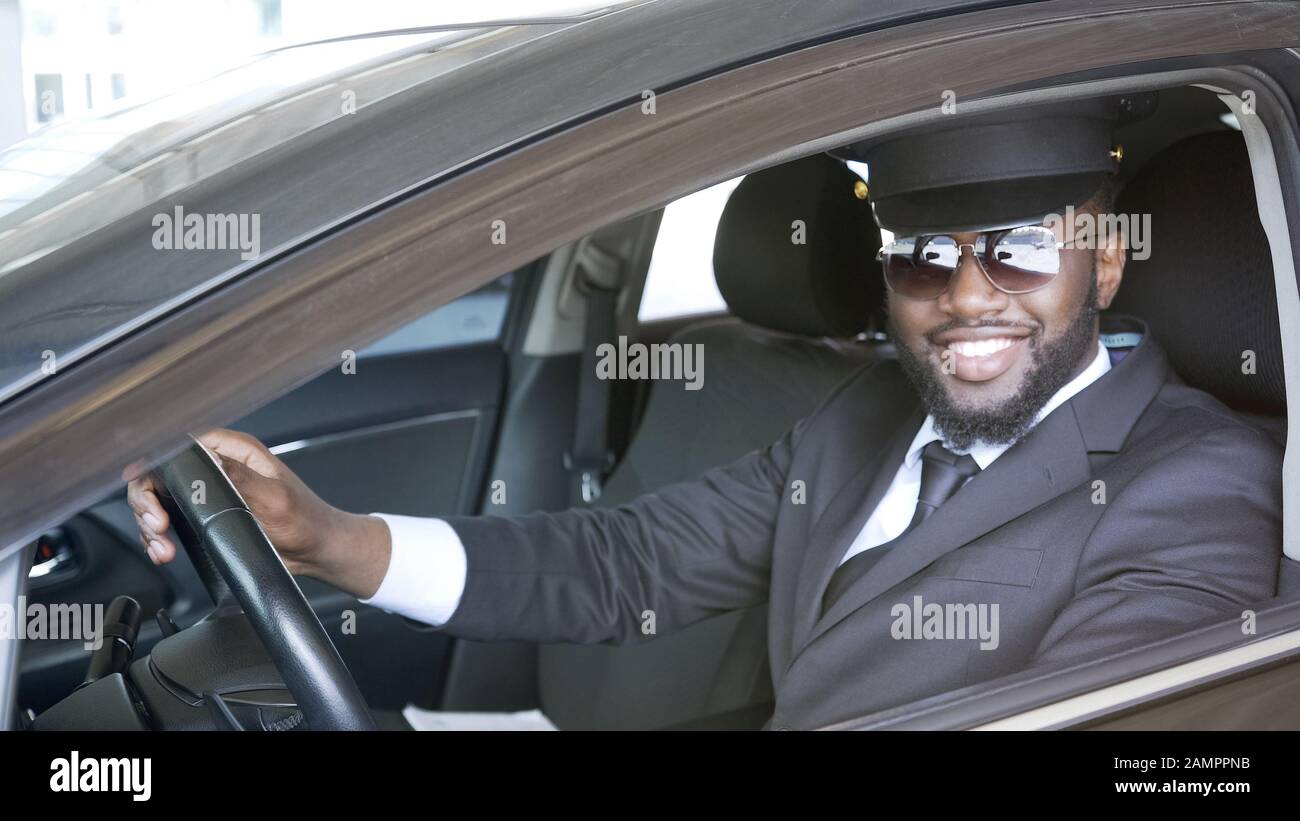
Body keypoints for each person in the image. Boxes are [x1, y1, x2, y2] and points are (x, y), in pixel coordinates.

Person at [126, 97, 1283, 729]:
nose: (967, 295)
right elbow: (628, 560)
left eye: (1021, 248)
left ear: (1105, 264)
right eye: (922, 253)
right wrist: (331, 537)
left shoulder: (1197, 480)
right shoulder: (863, 415)